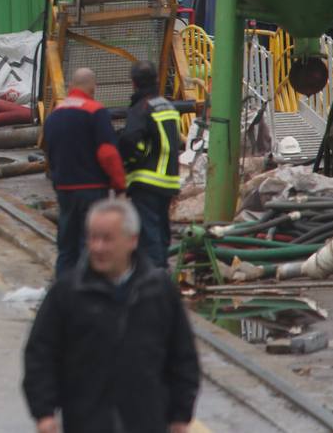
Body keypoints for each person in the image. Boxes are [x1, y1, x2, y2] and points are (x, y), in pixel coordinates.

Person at [23, 198, 200, 433]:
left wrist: (180, 415)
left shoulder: (158, 291)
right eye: (93, 237)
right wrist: (44, 413)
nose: (97, 247)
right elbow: (41, 354)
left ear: (132, 240)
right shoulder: (69, 292)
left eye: (107, 239)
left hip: (146, 422)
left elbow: (182, 356)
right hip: (87, 422)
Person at [42, 67, 126, 275]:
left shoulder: (54, 116)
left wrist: (57, 183)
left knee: (66, 247)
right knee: (89, 244)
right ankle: (86, 292)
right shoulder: (95, 112)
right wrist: (120, 186)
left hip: (65, 190)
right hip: (92, 190)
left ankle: (63, 289)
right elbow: (107, 153)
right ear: (93, 88)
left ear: (71, 87)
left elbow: (49, 153)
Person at [119, 61, 183, 268]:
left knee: (148, 231)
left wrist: (130, 161)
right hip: (169, 180)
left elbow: (130, 140)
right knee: (162, 228)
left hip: (146, 180)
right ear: (157, 80)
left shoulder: (141, 108)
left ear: (133, 84)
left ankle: (154, 277)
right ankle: (161, 271)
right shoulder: (168, 106)